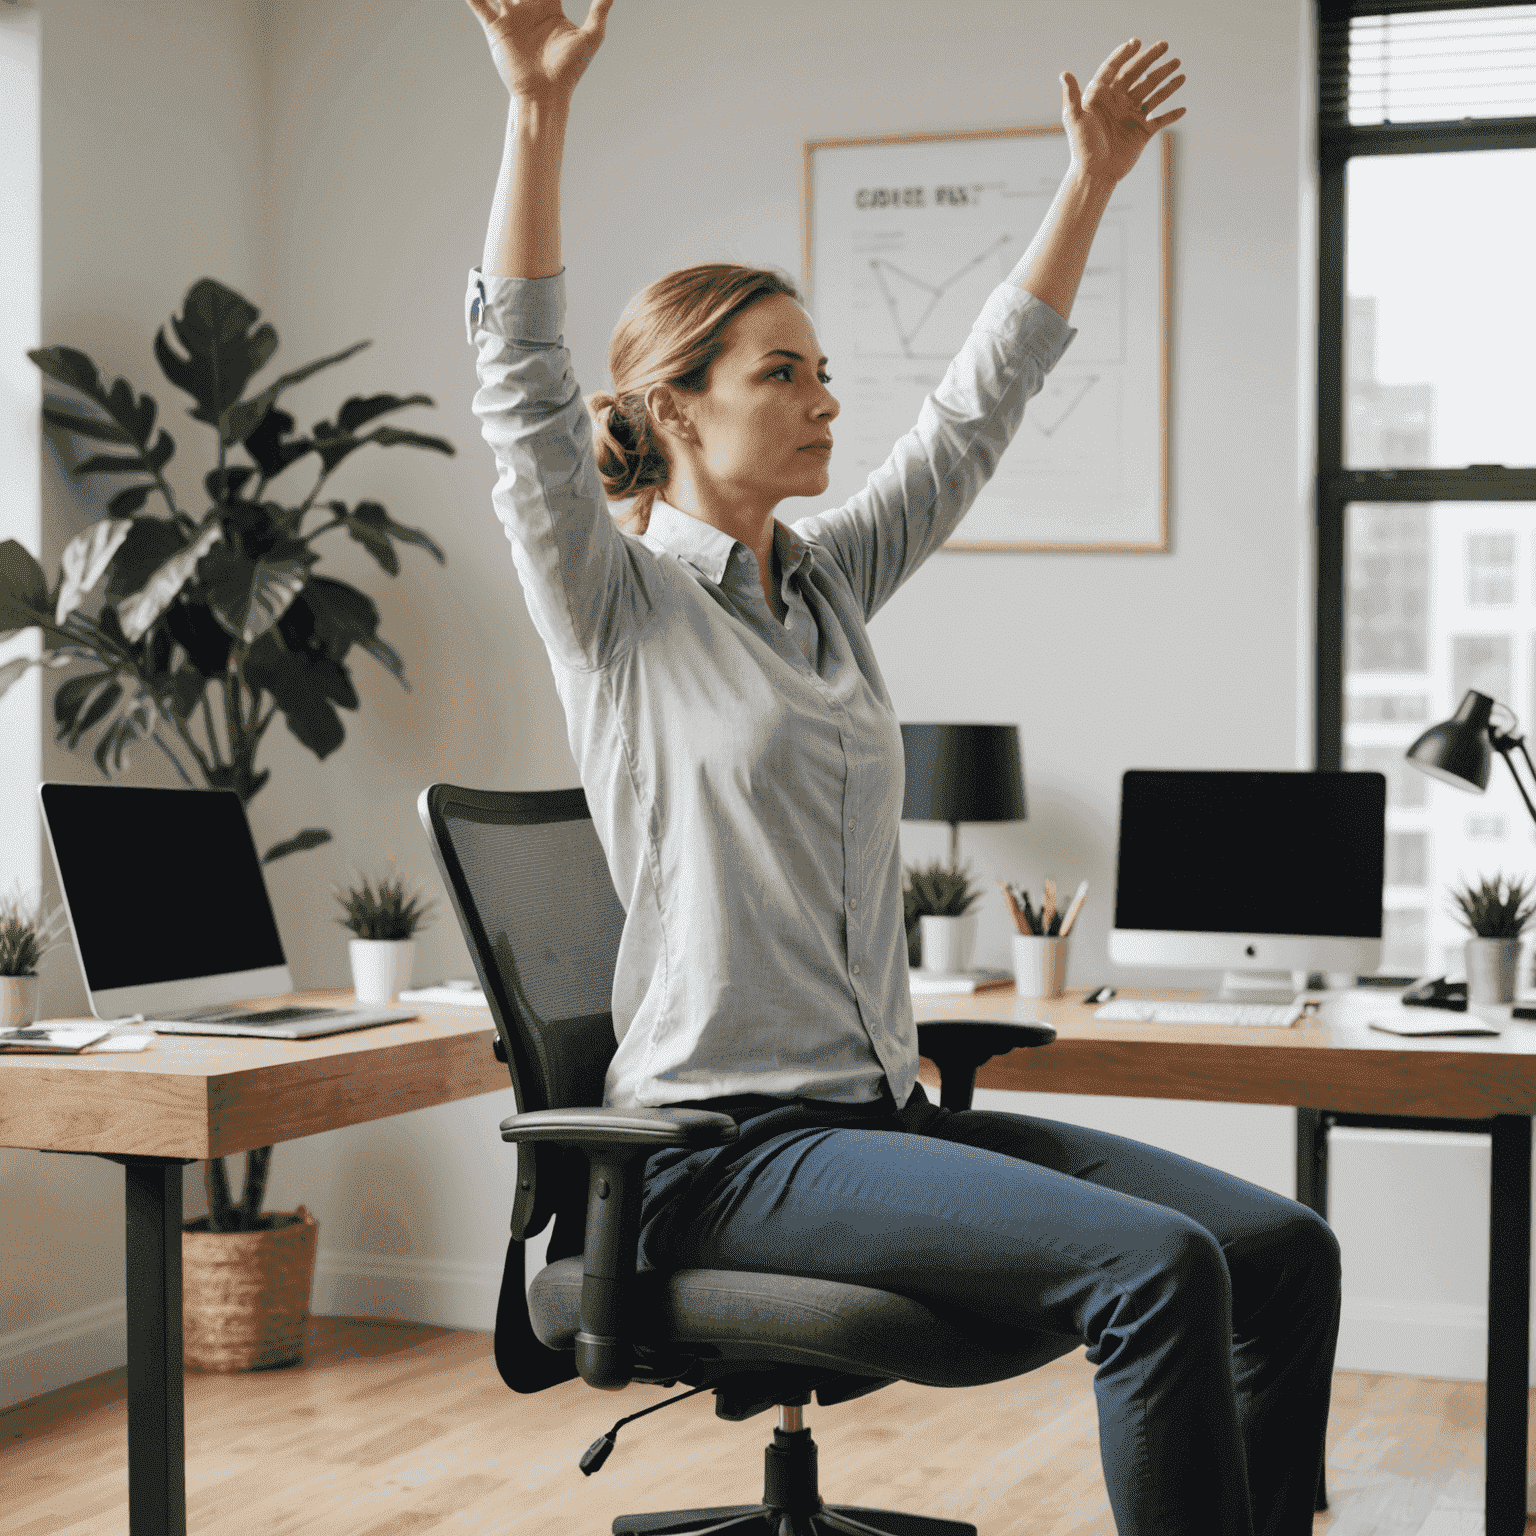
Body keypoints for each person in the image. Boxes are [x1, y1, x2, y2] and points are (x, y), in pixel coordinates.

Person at [462, 3, 1340, 1532]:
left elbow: (969, 418)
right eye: (783, 373)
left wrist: (1090, 184)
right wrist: (535, 114)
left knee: (1278, 1250)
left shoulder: (828, 584)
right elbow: (520, 387)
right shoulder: (616, 607)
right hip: (717, 1153)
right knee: (1156, 1268)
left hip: (868, 1125)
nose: (825, 400)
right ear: (676, 405)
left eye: (822, 371)